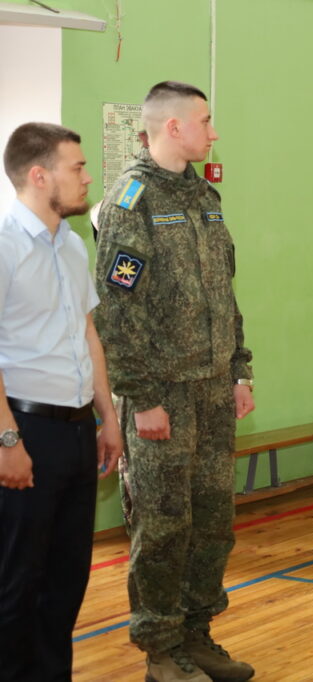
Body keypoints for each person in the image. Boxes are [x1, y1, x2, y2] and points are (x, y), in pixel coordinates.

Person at [94, 81, 255, 682]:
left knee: (213, 521)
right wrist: (142, 398)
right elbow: (117, 309)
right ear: (173, 127)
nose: (214, 132)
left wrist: (239, 368)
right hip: (162, 395)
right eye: (206, 121)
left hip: (214, 389)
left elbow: (224, 293)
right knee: (161, 527)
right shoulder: (129, 201)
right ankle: (161, 651)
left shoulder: (205, 198)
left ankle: (198, 634)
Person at [0, 122, 121, 681]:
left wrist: (108, 416)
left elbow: (87, 333)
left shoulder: (72, 245)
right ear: (38, 174)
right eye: (77, 168)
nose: (88, 178)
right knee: (15, 582)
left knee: (66, 580)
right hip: (23, 430)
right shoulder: (2, 245)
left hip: (75, 433)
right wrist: (6, 441)